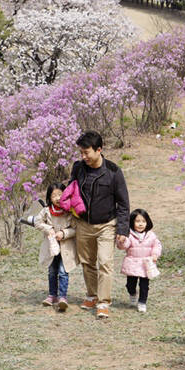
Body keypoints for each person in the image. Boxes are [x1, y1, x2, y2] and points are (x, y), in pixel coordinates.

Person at [69, 130, 130, 319]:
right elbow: (72, 190)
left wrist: (122, 230)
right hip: (83, 224)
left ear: (99, 150)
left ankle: (104, 302)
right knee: (87, 263)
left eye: (86, 152)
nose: (83, 156)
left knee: (105, 262)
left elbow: (123, 203)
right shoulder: (78, 168)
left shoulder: (113, 171)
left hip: (106, 225)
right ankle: (92, 295)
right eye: (81, 152)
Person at [34, 182, 79, 312]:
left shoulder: (70, 212)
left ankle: (62, 297)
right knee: (52, 271)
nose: (58, 198)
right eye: (54, 195)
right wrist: (49, 229)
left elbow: (75, 228)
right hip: (51, 248)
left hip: (66, 248)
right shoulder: (46, 211)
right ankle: (52, 295)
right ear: (49, 198)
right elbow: (37, 222)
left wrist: (64, 233)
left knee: (63, 272)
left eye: (60, 194)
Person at [117, 208, 162, 313]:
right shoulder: (129, 234)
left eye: (143, 221)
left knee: (144, 285)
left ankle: (142, 302)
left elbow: (157, 245)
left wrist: (155, 255)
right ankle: (132, 293)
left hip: (146, 264)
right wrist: (122, 241)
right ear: (132, 222)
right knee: (130, 285)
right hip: (132, 263)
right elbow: (125, 246)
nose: (141, 224)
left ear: (147, 222)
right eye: (137, 221)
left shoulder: (151, 235)